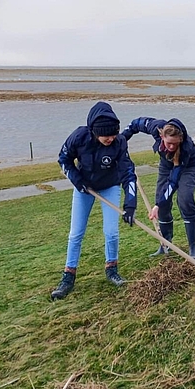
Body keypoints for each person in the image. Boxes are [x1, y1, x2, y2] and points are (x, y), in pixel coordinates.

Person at [51, 101, 137, 301]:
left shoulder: (119, 143)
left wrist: (130, 204)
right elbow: (63, 159)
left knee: (111, 231)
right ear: (94, 132)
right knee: (76, 233)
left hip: (110, 186)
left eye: (113, 134)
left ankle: (112, 269)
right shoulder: (79, 137)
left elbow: (128, 173)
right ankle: (68, 276)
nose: (110, 138)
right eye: (106, 135)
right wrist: (77, 180)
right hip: (84, 188)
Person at [121, 117, 195, 259]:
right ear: (162, 136)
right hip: (166, 164)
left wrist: (157, 204)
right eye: (169, 143)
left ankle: (193, 248)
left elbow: (173, 182)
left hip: (188, 166)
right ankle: (166, 244)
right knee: (161, 199)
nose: (171, 147)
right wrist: (121, 141)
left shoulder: (185, 149)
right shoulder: (156, 127)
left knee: (185, 199)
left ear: (180, 140)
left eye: (174, 144)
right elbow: (135, 124)